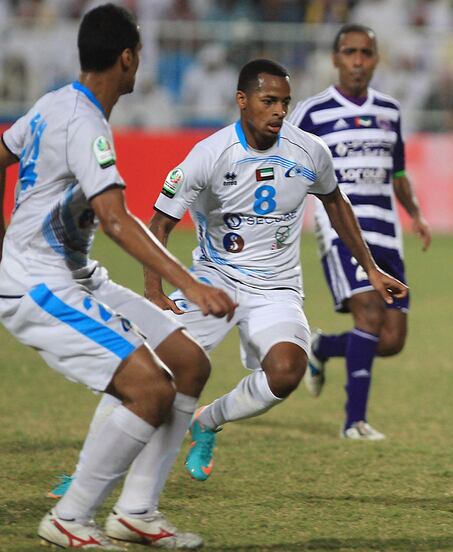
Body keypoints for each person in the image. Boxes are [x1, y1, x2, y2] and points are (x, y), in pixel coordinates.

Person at [48, 57, 408, 487]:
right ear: (242, 101)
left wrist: (369, 268)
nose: (279, 111)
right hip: (214, 280)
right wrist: (153, 290)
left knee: (287, 371)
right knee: (148, 368)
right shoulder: (210, 154)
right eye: (268, 101)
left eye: (285, 103)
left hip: (277, 287)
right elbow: (161, 220)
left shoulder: (310, 150)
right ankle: (85, 474)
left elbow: (336, 203)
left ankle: (209, 421)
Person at [0, 4, 236, 549]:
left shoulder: (55, 102)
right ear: (127, 59)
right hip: (41, 285)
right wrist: (190, 282)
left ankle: (135, 512)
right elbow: (114, 219)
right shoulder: (84, 123)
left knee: (188, 363)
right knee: (150, 388)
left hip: (75, 274)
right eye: (140, 55)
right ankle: (69, 516)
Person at [287, 24, 431, 440]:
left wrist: (417, 214)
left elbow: (398, 172)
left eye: (365, 53)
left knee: (391, 339)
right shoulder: (312, 113)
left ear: (376, 58)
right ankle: (355, 422)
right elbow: (284, 165)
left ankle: (324, 347)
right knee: (368, 313)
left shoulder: (391, 111)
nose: (357, 61)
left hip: (387, 234)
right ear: (335, 58)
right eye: (349, 52)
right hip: (342, 233)